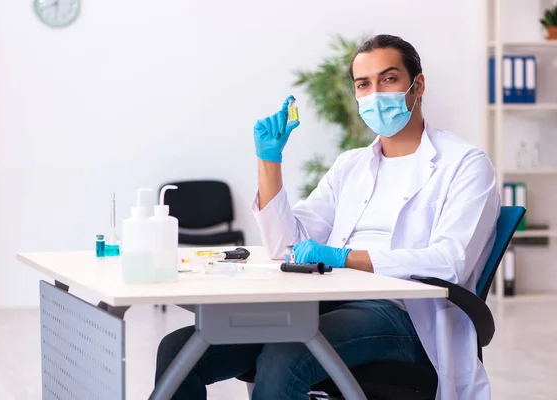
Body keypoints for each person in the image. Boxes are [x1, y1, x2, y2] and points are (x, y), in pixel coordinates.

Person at [155, 34, 499, 400]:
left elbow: (450, 262)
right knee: (178, 350)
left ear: (418, 84)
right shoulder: (350, 165)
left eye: (389, 79)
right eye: (364, 85)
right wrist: (269, 162)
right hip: (326, 297)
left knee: (287, 357)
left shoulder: (464, 164)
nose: (376, 94)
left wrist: (344, 258)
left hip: (405, 315)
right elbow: (285, 245)